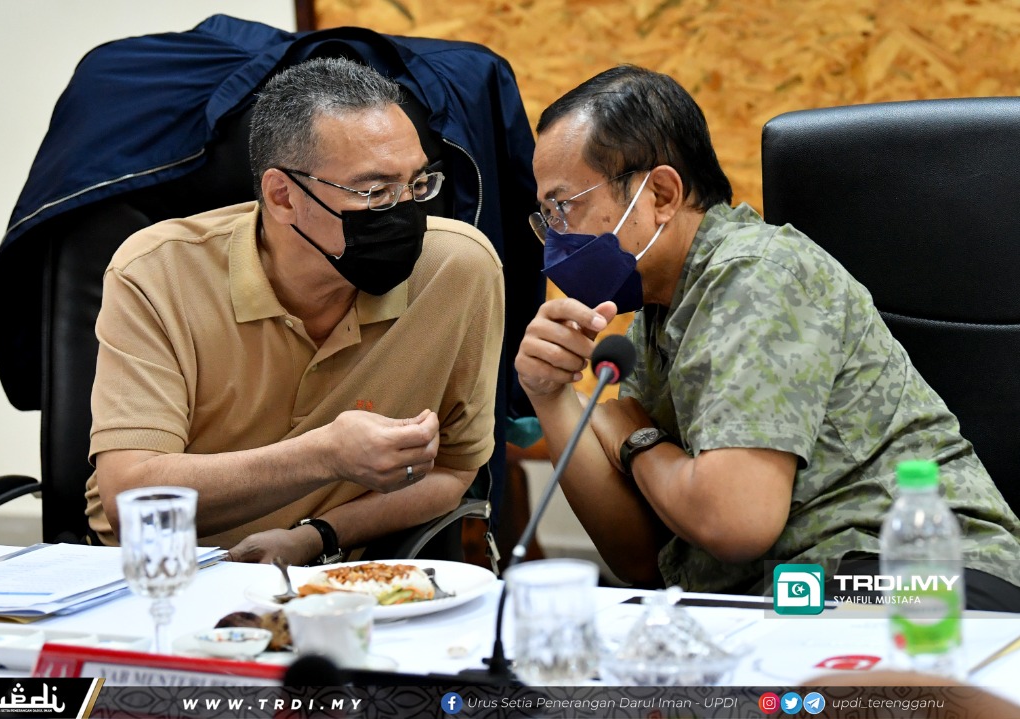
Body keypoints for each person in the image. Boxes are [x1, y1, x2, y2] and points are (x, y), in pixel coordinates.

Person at [514, 65, 1020, 608]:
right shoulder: (657, 320)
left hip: (920, 579)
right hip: (799, 595)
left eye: (564, 207)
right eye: (545, 216)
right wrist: (552, 397)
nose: (555, 238)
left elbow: (734, 521)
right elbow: (639, 559)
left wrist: (637, 440)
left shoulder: (758, 274)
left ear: (660, 194)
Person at [84, 58, 504, 565]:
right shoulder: (157, 271)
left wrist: (316, 538)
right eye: (375, 192)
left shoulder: (457, 269)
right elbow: (130, 499)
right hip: (161, 570)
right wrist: (324, 455)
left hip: (336, 571)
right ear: (283, 196)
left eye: (416, 185)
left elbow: (454, 472)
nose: (405, 211)